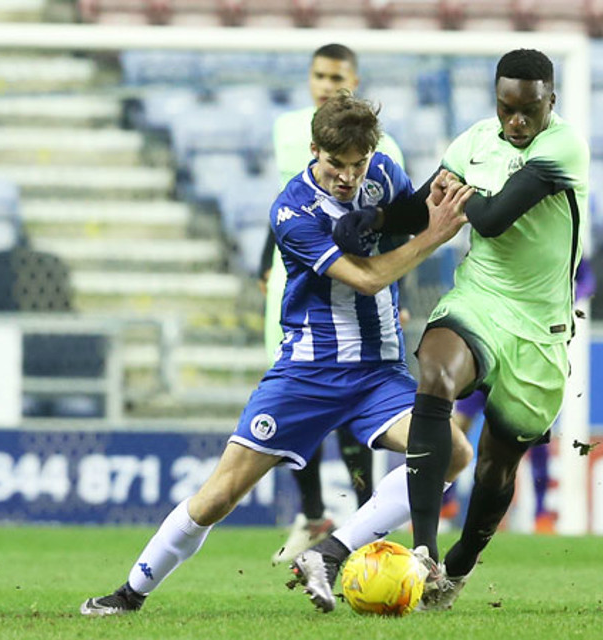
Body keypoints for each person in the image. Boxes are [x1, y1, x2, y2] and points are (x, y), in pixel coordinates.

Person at [81, 92, 474, 617]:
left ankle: (330, 553)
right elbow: (364, 278)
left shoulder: (382, 172)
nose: (348, 177)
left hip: (379, 373)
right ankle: (129, 593)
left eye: (357, 164)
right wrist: (436, 236)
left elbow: (404, 220)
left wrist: (434, 199)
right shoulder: (293, 210)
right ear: (314, 150)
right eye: (336, 164)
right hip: (307, 374)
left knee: (454, 452)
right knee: (219, 496)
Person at [290, 48, 589, 614]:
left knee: (498, 463)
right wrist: (375, 219)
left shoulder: (564, 146)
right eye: (506, 110)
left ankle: (458, 566)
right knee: (433, 377)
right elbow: (423, 208)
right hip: (480, 296)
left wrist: (460, 193)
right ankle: (424, 549)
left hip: (539, 325)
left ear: (551, 100)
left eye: (528, 110)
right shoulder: (476, 141)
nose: (516, 122)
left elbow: (497, 217)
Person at [259, 43, 408, 565]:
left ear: (354, 78)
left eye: (336, 75)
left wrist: (401, 296)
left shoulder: (381, 154)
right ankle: (314, 513)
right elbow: (286, 200)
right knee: (307, 400)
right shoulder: (290, 130)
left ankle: (363, 514)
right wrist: (265, 261)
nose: (326, 83)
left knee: (353, 412)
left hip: (362, 290)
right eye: (319, 74)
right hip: (299, 280)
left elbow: (398, 228)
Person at [450, 258, 594, 535]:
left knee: (534, 436)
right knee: (458, 424)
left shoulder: (557, 235)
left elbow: (587, 278)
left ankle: (542, 513)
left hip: (531, 355)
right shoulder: (496, 233)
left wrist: (567, 296)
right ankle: (446, 497)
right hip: (490, 348)